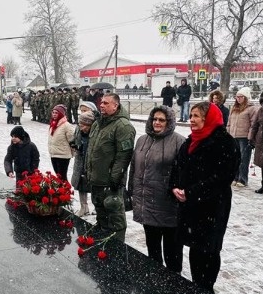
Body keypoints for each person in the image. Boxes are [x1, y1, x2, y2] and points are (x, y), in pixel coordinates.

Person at [170, 102, 238, 290]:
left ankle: (206, 290)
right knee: (195, 247)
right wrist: (174, 187)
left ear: (209, 119)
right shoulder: (191, 140)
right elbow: (177, 167)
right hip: (191, 205)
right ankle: (197, 287)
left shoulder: (225, 142)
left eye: (197, 116)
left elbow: (222, 177)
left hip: (212, 206)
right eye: (191, 115)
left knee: (208, 249)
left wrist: (192, 192)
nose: (191, 120)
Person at [129, 106, 185, 270]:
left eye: (161, 120)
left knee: (172, 253)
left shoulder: (179, 142)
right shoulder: (142, 140)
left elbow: (183, 174)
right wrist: (132, 190)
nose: (157, 123)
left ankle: (174, 282)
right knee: (152, 251)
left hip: (167, 205)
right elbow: (134, 167)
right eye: (154, 119)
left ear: (169, 122)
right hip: (147, 204)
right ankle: (155, 279)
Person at [85, 93, 136, 240]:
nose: (101, 105)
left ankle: (117, 249)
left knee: (115, 219)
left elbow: (123, 156)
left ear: (115, 106)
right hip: (97, 180)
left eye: (106, 103)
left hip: (111, 183)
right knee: (101, 216)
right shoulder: (98, 123)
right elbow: (92, 150)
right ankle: (103, 244)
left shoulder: (123, 126)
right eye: (101, 102)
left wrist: (115, 179)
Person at [227, 87, 258, 187]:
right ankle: (235, 177)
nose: (238, 98)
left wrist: (250, 136)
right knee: (235, 158)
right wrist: (228, 134)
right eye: (237, 97)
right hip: (233, 136)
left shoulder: (251, 108)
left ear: (246, 97)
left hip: (244, 137)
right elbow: (229, 122)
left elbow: (253, 124)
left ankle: (243, 179)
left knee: (244, 159)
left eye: (241, 97)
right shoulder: (234, 108)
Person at [70, 111, 95, 216]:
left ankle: (97, 207)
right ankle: (83, 207)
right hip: (80, 160)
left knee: (94, 185)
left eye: (84, 125)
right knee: (80, 184)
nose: (81, 128)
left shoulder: (96, 133)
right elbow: (74, 139)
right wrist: (73, 144)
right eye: (80, 125)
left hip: (92, 162)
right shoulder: (78, 129)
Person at [46, 105, 76, 180]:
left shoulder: (66, 125)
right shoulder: (53, 124)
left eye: (56, 113)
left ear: (61, 114)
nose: (54, 114)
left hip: (63, 156)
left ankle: (66, 188)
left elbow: (72, 141)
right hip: (54, 154)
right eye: (53, 112)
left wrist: (72, 153)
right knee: (58, 178)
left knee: (62, 178)